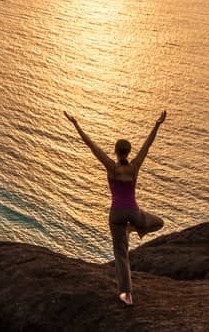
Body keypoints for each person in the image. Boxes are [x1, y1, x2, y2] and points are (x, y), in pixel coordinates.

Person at [64, 109, 167, 305]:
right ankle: (135, 228)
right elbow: (148, 144)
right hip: (134, 212)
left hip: (116, 215)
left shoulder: (112, 167)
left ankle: (127, 295)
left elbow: (91, 146)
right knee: (158, 222)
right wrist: (157, 124)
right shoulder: (135, 166)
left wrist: (76, 124)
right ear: (128, 152)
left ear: (116, 151)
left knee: (121, 255)